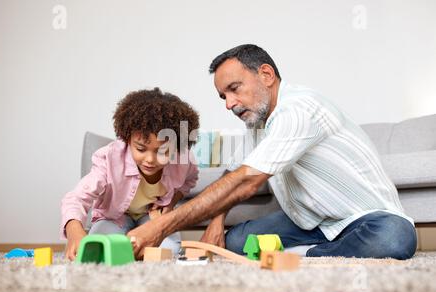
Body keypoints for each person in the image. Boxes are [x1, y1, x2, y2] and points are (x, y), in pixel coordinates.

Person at [122, 44, 417, 260]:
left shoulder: (299, 109)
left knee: (394, 240)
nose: (229, 103)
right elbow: (233, 173)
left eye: (234, 89)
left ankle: (303, 256)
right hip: (310, 223)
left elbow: (246, 181)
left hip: (365, 219)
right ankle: (313, 252)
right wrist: (216, 221)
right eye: (223, 96)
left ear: (266, 74)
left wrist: (160, 226)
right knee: (236, 241)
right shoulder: (257, 123)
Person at [61, 88, 200, 261]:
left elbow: (190, 180)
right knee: (102, 250)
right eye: (141, 149)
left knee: (168, 251)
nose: (150, 160)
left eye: (163, 152)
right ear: (127, 139)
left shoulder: (183, 160)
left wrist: (170, 204)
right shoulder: (108, 159)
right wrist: (75, 231)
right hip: (113, 218)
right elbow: (76, 198)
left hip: (150, 217)